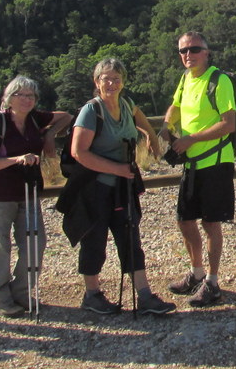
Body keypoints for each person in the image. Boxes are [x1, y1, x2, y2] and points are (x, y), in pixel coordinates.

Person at [68, 58, 175, 315]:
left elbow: (140, 117)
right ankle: (91, 294)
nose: (112, 83)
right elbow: (78, 152)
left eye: (116, 78)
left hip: (122, 186)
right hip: (96, 187)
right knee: (94, 239)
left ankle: (145, 295)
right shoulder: (91, 111)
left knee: (130, 237)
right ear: (97, 82)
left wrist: (150, 135)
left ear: (123, 82)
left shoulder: (126, 104)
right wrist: (117, 169)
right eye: (106, 78)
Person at [0, 76, 72, 316]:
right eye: (22, 95)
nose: (27, 100)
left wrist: (49, 135)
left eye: (31, 96)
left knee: (35, 243)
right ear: (10, 98)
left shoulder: (34, 119)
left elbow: (66, 116)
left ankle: (21, 292)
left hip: (28, 192)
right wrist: (17, 160)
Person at [160, 32, 236, 308]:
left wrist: (191, 139)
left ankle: (213, 282)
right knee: (184, 219)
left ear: (207, 52)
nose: (188, 55)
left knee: (210, 223)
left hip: (215, 162)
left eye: (194, 49)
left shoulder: (219, 80)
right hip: (192, 163)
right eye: (183, 51)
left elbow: (229, 124)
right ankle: (197, 272)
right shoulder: (186, 79)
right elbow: (176, 106)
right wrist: (167, 124)